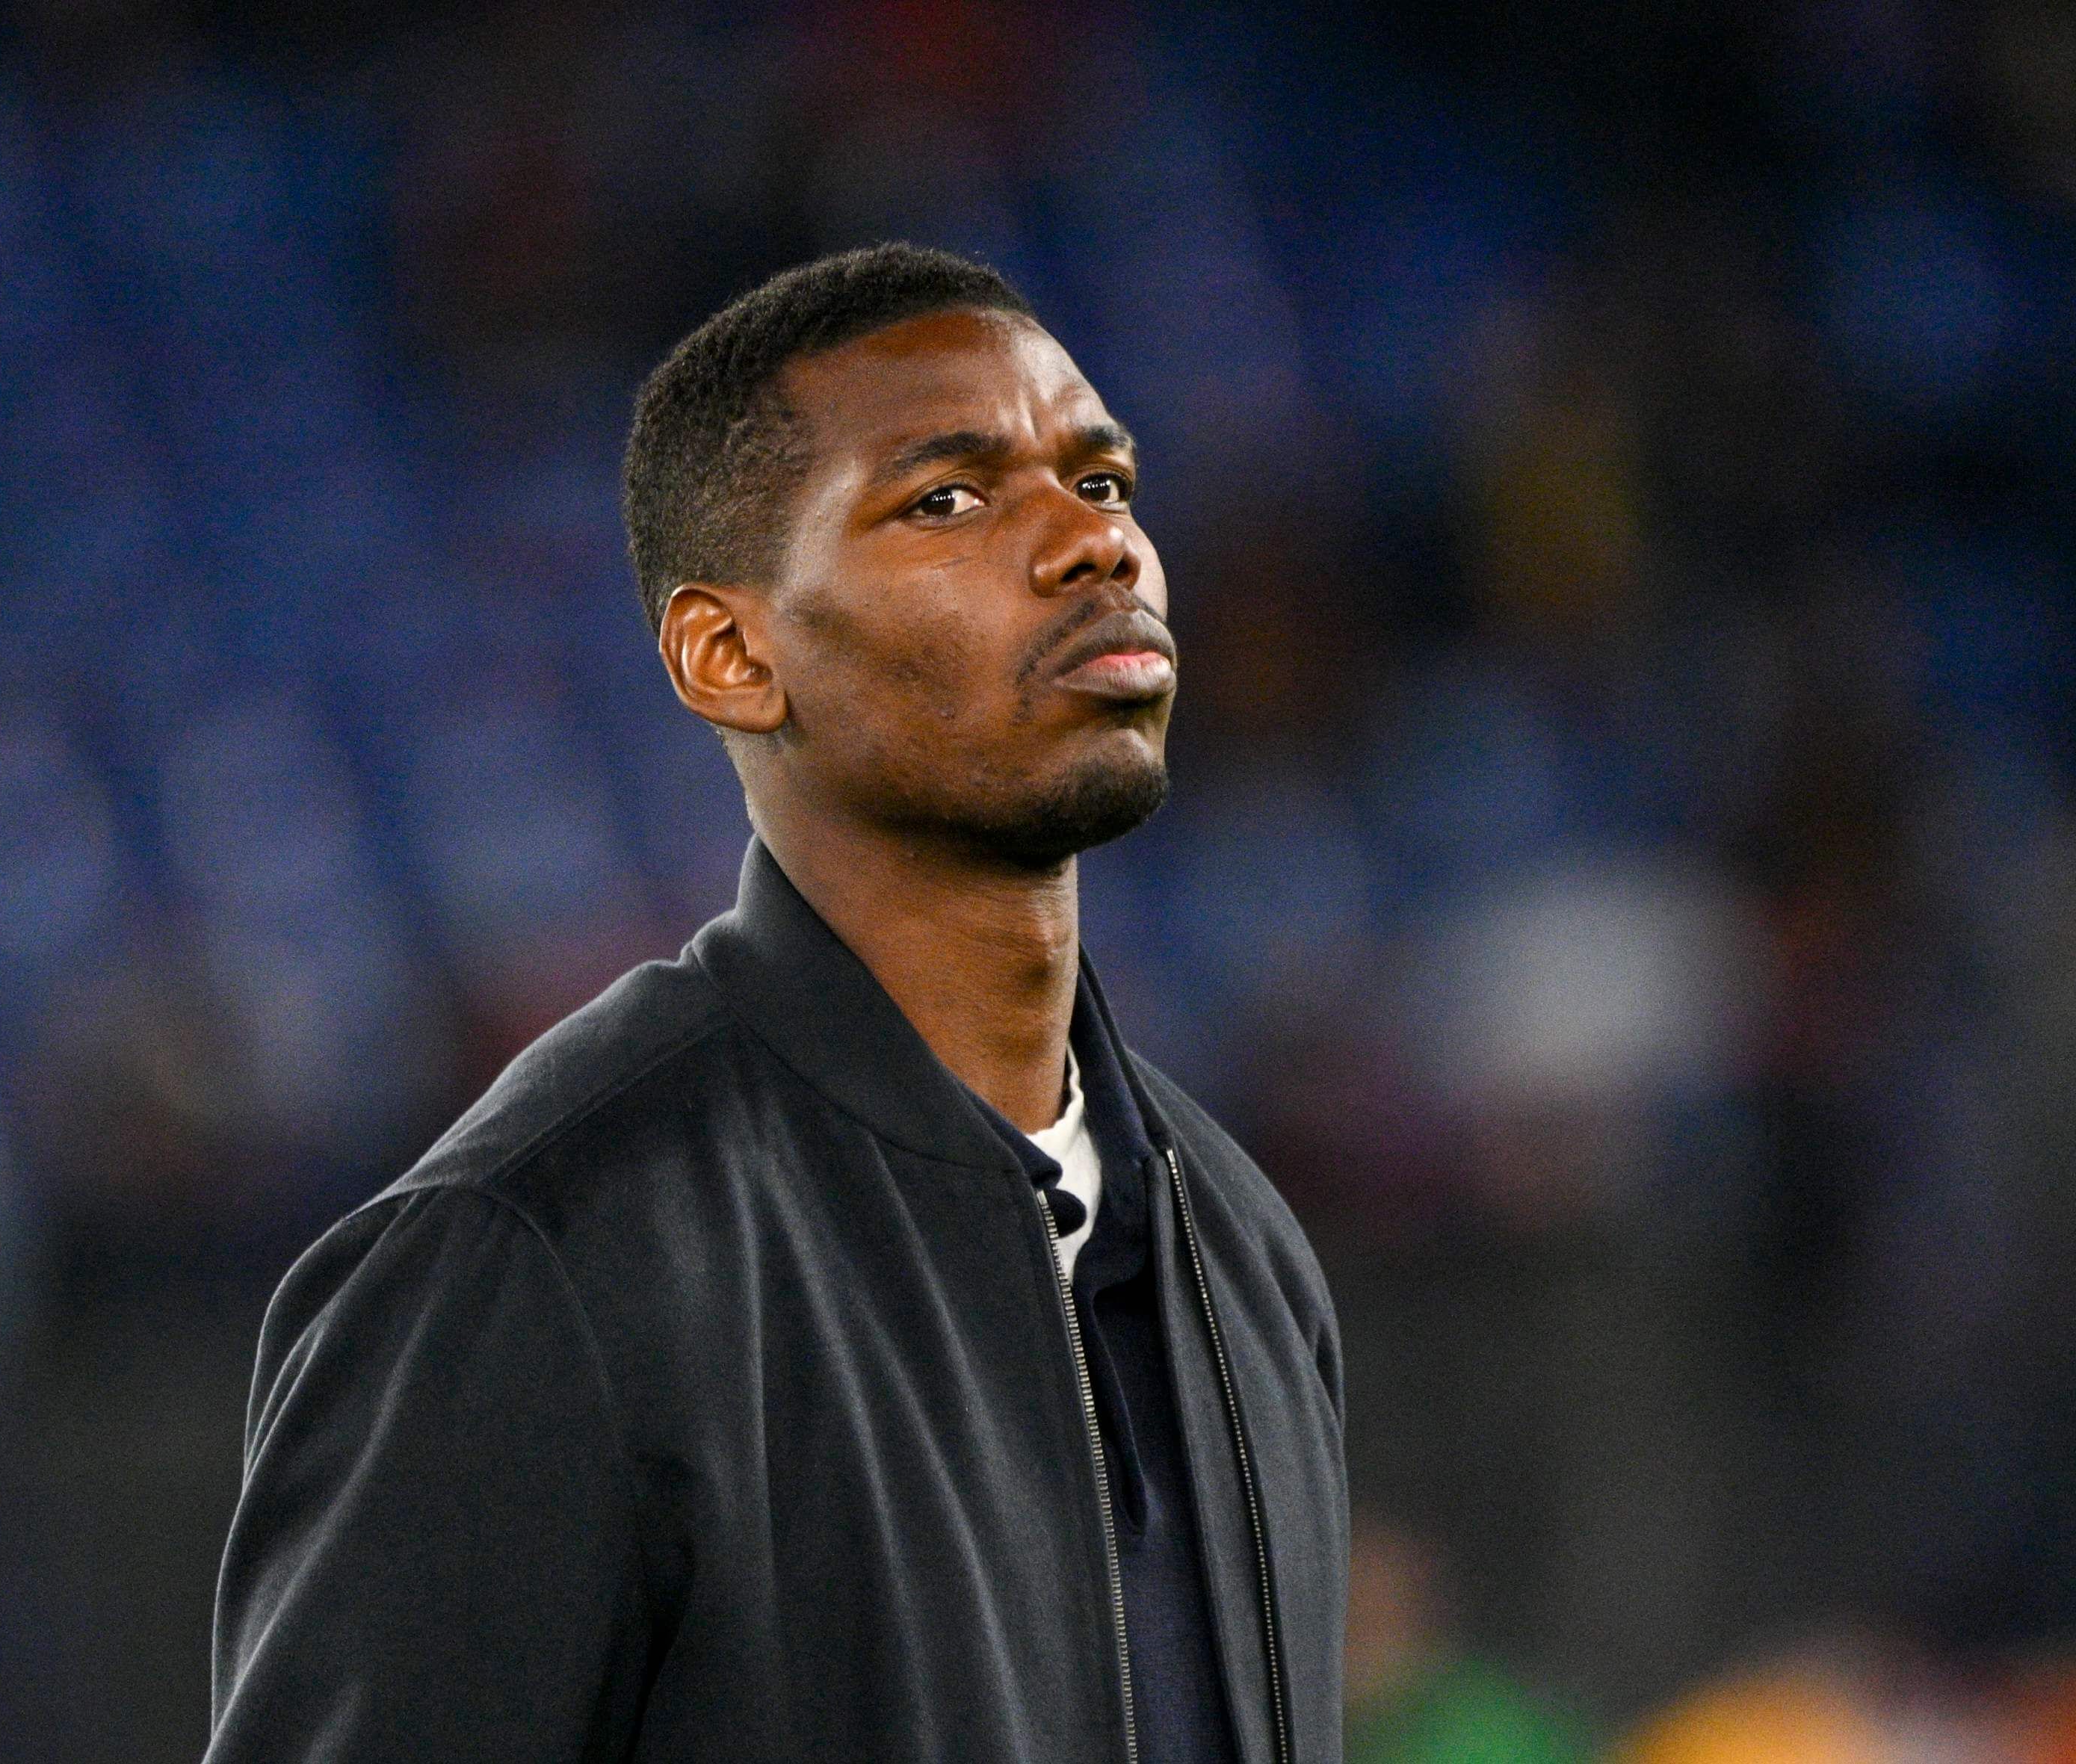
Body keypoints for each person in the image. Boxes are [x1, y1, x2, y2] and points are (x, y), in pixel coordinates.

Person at [204, 244, 1347, 1763]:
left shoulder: (1241, 1250)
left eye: (1102, 481)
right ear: (730, 653)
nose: (1093, 543)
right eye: (948, 498)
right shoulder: (537, 1255)